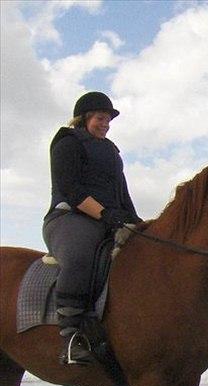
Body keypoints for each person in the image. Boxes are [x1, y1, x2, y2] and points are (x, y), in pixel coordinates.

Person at [43, 91, 142, 365]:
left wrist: (137, 222)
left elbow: (122, 192)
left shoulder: (110, 150)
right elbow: (71, 190)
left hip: (110, 218)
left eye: (108, 120)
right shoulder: (67, 142)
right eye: (101, 118)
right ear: (85, 118)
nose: (105, 124)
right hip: (69, 219)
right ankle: (71, 336)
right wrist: (104, 214)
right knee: (80, 256)